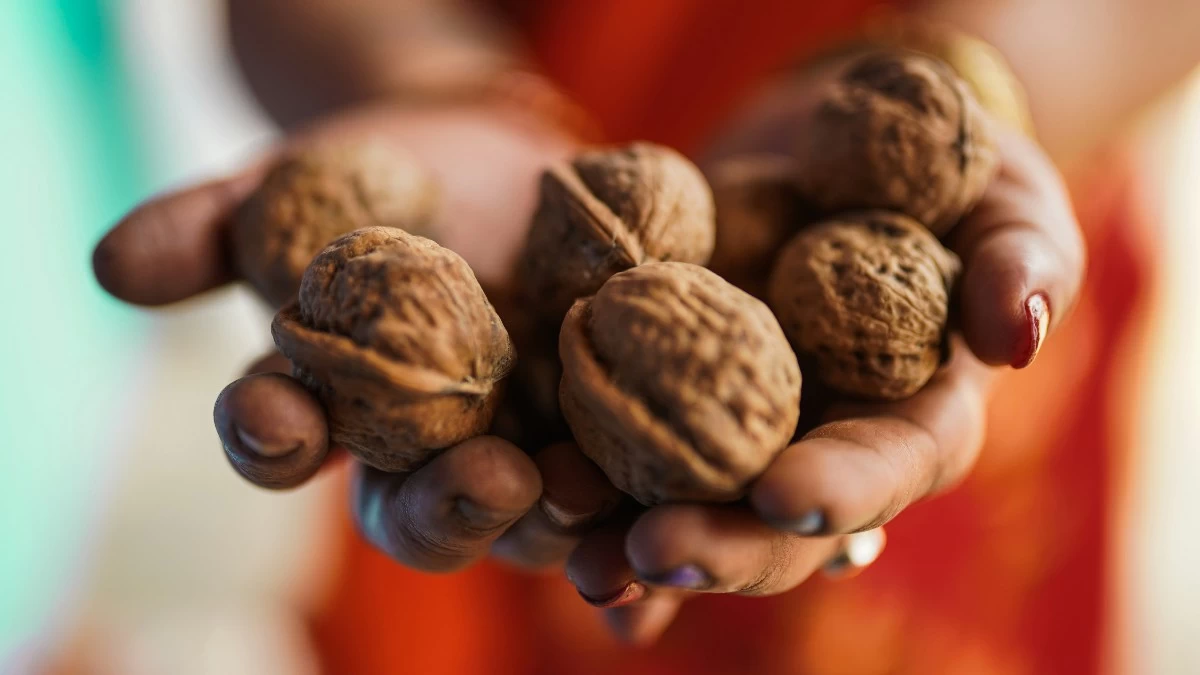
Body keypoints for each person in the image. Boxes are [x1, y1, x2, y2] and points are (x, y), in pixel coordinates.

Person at [92, 0, 1200, 672]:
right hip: (507, 193)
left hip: (946, 165)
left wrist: (974, 80)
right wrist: (421, 76)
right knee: (496, 515)